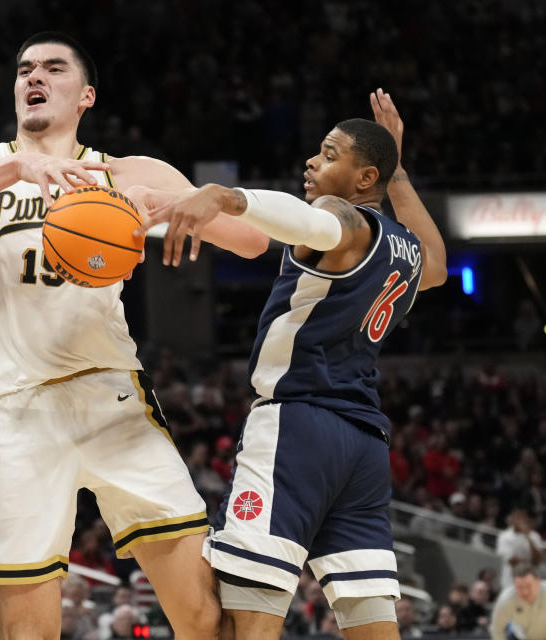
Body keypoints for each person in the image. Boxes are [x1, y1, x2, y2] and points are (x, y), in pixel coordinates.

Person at [0, 31, 268, 639]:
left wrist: (163, 204)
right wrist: (15, 167)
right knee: (28, 633)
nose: (35, 76)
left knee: (202, 617)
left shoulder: (121, 170)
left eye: (54, 68)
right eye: (25, 69)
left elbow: (252, 242)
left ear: (85, 94)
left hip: (110, 397)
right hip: (12, 413)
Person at [135, 89, 447, 640]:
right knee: (373, 625)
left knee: (247, 621)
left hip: (298, 425)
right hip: (364, 443)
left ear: (363, 178)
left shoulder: (338, 216)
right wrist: (397, 172)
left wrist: (226, 198)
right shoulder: (406, 247)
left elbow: (314, 224)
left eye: (329, 154)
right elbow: (438, 264)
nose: (311, 161)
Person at [489, 564, 546, 640]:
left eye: (528, 586)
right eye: (519, 587)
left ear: (538, 582)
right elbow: (496, 630)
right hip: (519, 637)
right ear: (514, 584)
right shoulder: (506, 599)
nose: (525, 591)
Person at [496, 509, 543, 591]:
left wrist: (528, 537)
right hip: (509, 582)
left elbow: (537, 560)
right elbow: (511, 560)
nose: (520, 521)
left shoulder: (535, 537)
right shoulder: (504, 536)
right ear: (513, 519)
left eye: (523, 518)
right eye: (517, 518)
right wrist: (528, 563)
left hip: (530, 583)